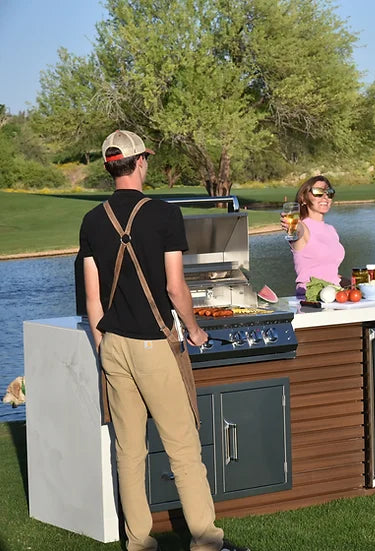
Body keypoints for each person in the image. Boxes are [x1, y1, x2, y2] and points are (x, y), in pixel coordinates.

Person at [79, 130, 250, 551]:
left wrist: (104, 347)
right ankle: (207, 541)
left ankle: (138, 542)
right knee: (183, 449)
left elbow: (92, 298)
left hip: (113, 345)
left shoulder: (92, 219)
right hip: (155, 345)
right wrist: (193, 331)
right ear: (139, 162)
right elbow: (176, 289)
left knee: (129, 450)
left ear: (109, 167)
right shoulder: (164, 214)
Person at [281, 175, 345, 297]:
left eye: (329, 193)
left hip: (335, 295)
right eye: (318, 193)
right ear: (303, 198)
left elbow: (330, 272)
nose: (325, 197)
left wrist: (354, 283)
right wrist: (291, 224)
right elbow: (298, 230)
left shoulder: (331, 230)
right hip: (311, 297)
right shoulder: (303, 227)